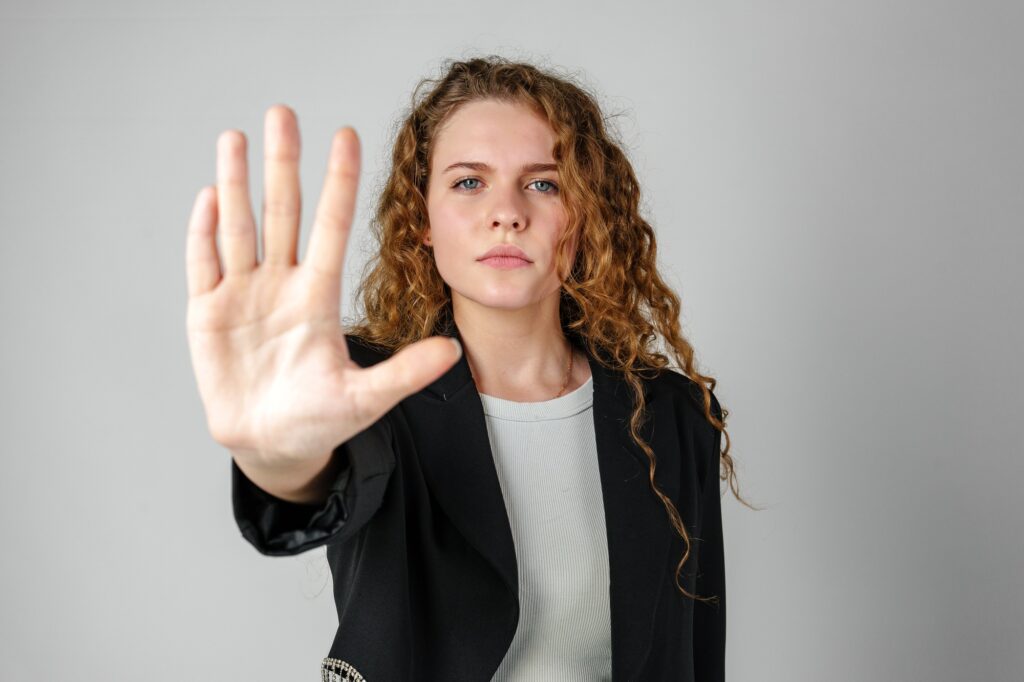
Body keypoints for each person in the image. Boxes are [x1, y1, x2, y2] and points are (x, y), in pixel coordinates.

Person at [185, 56, 751, 681]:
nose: (507, 212)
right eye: (468, 182)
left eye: (544, 184)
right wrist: (277, 457)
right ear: (421, 220)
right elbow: (311, 485)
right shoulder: (365, 391)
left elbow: (695, 657)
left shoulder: (670, 416)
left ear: (583, 215)